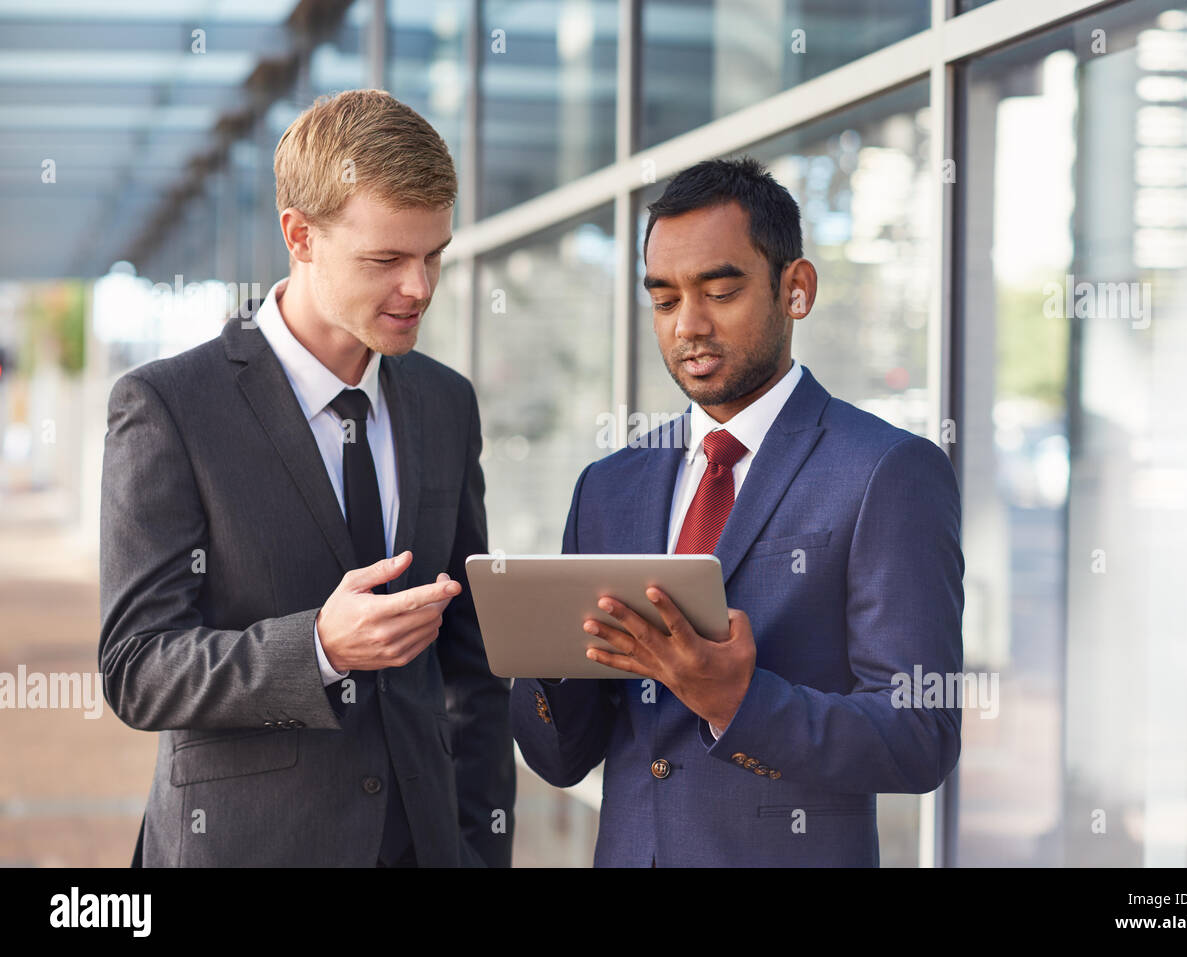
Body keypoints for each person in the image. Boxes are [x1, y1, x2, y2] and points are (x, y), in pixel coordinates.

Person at [99, 89, 514, 867]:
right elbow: (137, 667)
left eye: (433, 255)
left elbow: (472, 665)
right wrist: (320, 646)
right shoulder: (168, 407)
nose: (419, 288)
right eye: (386, 259)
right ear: (301, 236)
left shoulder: (445, 402)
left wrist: (480, 850)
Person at [511, 157, 964, 866]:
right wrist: (545, 655)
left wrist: (737, 701)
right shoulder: (609, 486)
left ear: (796, 289)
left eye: (720, 290)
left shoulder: (886, 471)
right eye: (663, 301)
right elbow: (563, 758)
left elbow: (920, 734)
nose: (689, 325)